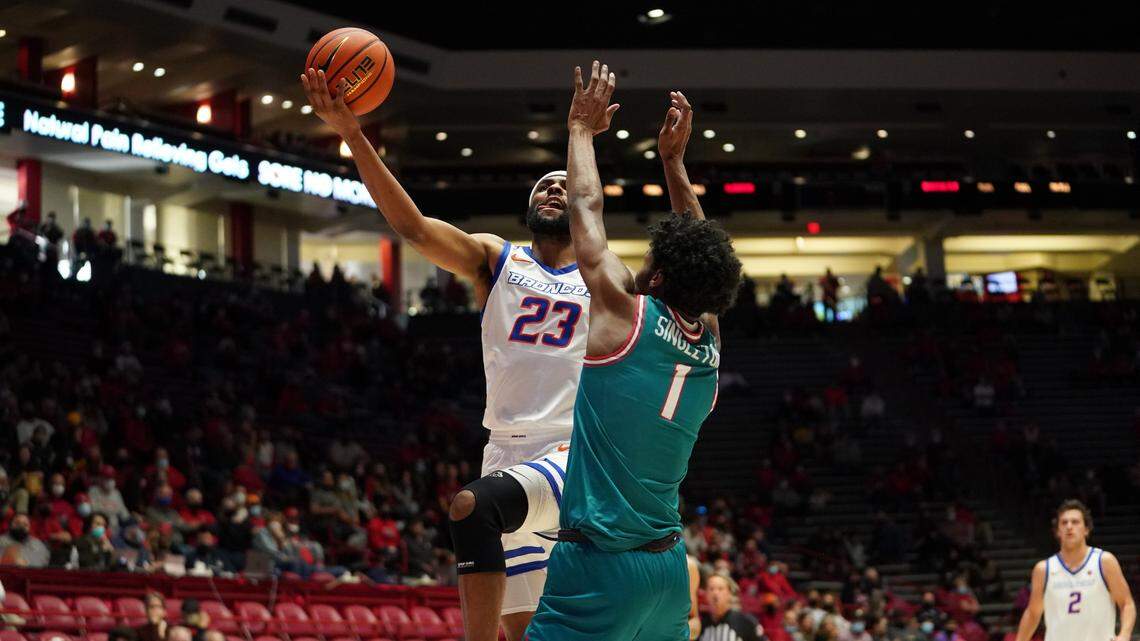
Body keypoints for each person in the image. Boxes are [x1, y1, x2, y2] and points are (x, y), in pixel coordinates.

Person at [302, 66, 588, 641]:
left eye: (564, 184)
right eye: (542, 186)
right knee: (521, 628)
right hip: (505, 450)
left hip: (567, 449)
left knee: (470, 509)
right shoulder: (498, 259)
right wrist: (353, 133)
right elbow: (411, 225)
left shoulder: (604, 277)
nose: (553, 189)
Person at [525, 61, 741, 641]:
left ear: (662, 275)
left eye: (653, 257)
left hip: (600, 566)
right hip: (669, 570)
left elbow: (586, 211)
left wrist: (578, 129)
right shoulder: (711, 346)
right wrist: (672, 163)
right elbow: (701, 243)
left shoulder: (626, 314)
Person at [1014, 499, 1135, 641]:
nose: (1069, 526)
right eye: (1064, 523)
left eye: (1075, 522)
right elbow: (1033, 613)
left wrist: (1124, 635)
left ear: (1086, 529)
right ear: (1057, 531)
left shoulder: (1104, 562)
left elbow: (1127, 604)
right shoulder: (1044, 569)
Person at [698, 574, 766, 641]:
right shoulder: (701, 626)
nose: (715, 593)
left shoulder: (745, 622)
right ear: (705, 594)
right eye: (711, 589)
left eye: (720, 589)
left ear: (729, 594)